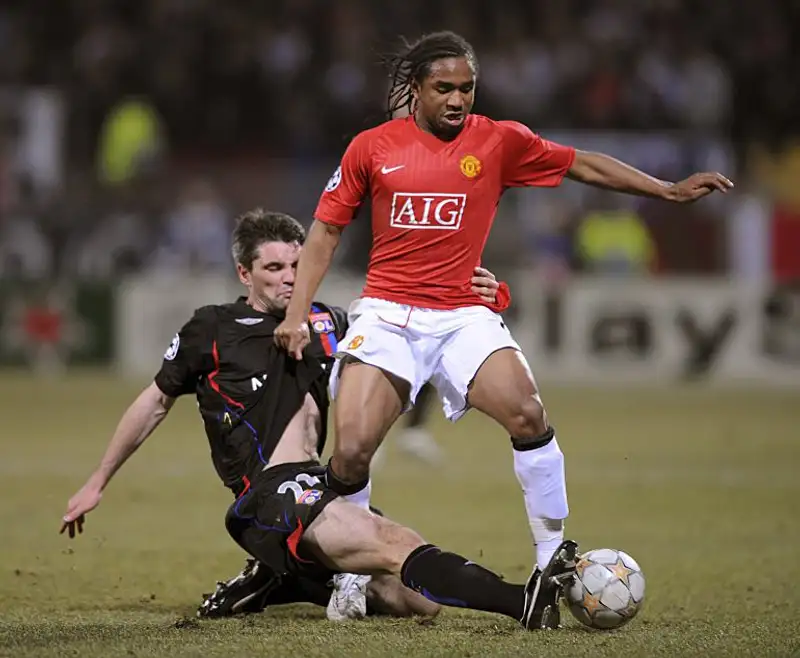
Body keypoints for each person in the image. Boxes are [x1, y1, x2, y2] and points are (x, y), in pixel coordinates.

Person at [273, 30, 734, 628]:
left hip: (461, 313)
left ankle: (550, 562)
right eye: (444, 88)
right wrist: (295, 314)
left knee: (527, 412)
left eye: (467, 88)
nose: (457, 99)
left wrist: (665, 190)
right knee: (353, 448)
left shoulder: (498, 140)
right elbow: (326, 231)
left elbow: (580, 163)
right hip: (388, 312)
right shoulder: (372, 147)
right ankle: (354, 572)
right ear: (415, 89)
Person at [60, 208, 539, 624]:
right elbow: (154, 402)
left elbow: (415, 341)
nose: (290, 277)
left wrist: (473, 297)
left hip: (324, 486)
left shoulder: (330, 324)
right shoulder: (215, 327)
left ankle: (283, 579)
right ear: (245, 273)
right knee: (396, 542)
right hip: (268, 498)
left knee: (418, 602)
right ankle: (524, 601)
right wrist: (97, 481)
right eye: (274, 267)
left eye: (297, 264)